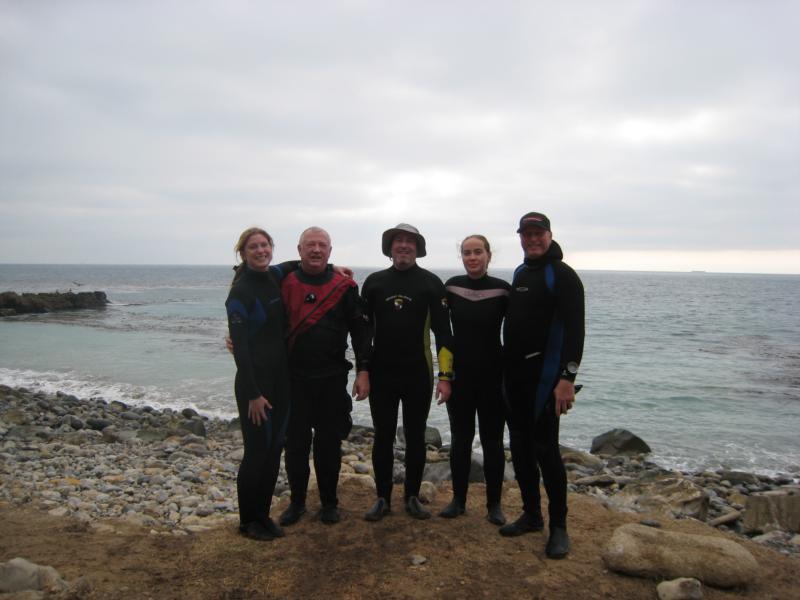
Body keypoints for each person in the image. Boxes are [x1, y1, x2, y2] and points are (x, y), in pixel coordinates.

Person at [501, 212, 585, 559]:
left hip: (545, 380)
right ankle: (532, 515)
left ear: (549, 235)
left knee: (546, 451)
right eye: (526, 234)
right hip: (515, 377)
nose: (532, 239)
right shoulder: (522, 273)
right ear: (520, 237)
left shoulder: (562, 276)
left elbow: (576, 331)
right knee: (519, 448)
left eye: (538, 233)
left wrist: (567, 379)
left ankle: (559, 527)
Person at [360, 223, 454, 521]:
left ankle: (412, 496)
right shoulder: (374, 283)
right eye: (398, 240)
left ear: (418, 248)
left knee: (415, 437)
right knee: (383, 436)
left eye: (409, 241)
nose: (403, 245)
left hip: (418, 374)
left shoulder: (431, 284)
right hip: (382, 373)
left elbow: (444, 335)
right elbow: (363, 334)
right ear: (390, 247)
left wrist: (445, 376)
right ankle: (382, 498)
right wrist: (362, 371)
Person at [278, 227, 371, 527]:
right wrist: (236, 339)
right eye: (310, 245)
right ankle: (297, 503)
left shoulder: (344, 286)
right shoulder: (285, 282)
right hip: (293, 380)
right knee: (295, 445)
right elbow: (260, 316)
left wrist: (363, 372)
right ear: (299, 249)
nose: (316, 250)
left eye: (322, 245)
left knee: (329, 444)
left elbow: (360, 333)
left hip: (332, 379)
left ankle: (329, 503)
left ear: (330, 251)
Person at [225, 227, 294, 541]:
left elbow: (294, 265)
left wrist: (336, 268)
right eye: (254, 247)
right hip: (255, 386)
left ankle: (263, 516)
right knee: (256, 452)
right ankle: (247, 521)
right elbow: (240, 346)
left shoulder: (274, 275)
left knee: (274, 449)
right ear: (243, 253)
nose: (260, 250)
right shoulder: (240, 292)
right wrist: (253, 394)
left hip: (281, 380)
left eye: (265, 245)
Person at [439, 235, 510, 525]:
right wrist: (443, 376)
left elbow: (519, 331)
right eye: (467, 253)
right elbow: (443, 336)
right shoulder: (452, 287)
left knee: (493, 442)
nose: (472, 257)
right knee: (460, 440)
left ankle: (494, 505)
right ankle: (459, 500)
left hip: (494, 376)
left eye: (477, 252)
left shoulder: (503, 290)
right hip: (461, 376)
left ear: (488, 256)